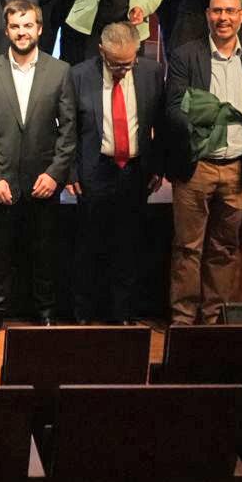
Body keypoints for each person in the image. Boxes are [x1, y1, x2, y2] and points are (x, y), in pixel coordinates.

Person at [165, 0, 242, 325]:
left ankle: (214, 319)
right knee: (187, 248)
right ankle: (183, 318)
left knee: (225, 248)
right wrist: (207, 117)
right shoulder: (186, 55)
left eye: (230, 11)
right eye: (216, 11)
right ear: (207, 15)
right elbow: (173, 108)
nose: (223, 18)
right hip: (196, 167)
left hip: (237, 170)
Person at [0, 0, 76, 337]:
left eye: (28, 25)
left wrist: (55, 174)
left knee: (45, 254)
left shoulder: (60, 71)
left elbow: (68, 131)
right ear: (6, 31)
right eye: (15, 26)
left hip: (43, 181)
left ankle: (45, 313)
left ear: (40, 29)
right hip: (2, 183)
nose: (21, 32)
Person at [69, 22, 166, 324]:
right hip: (95, 170)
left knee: (129, 246)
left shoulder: (151, 73)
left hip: (135, 172)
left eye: (128, 63)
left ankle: (122, 314)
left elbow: (161, 124)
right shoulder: (80, 75)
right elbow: (68, 129)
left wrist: (158, 166)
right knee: (88, 246)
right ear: (102, 51)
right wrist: (71, 172)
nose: (122, 70)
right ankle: (83, 314)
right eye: (115, 64)